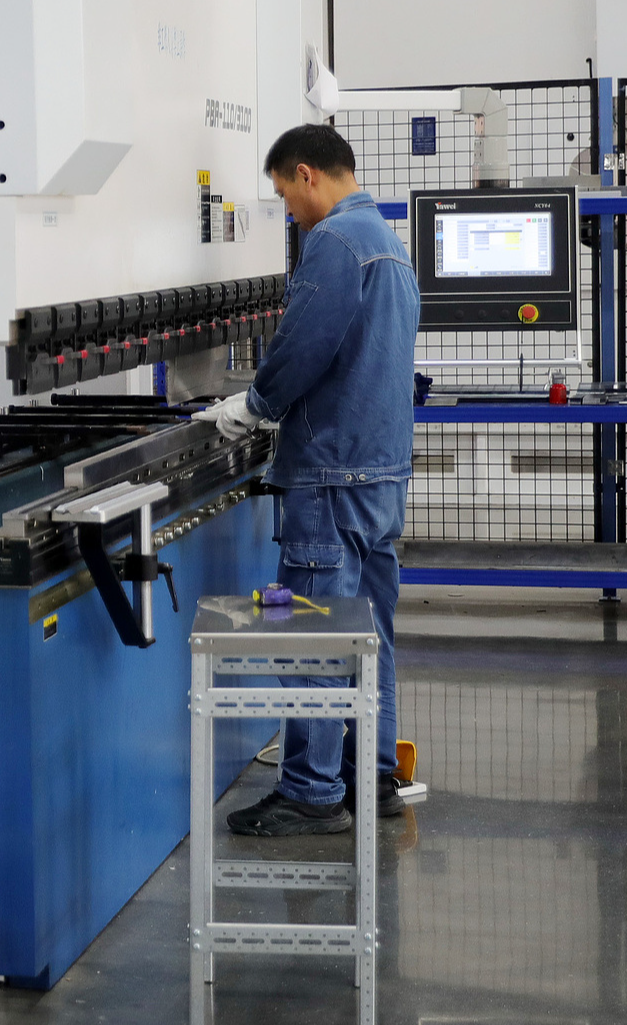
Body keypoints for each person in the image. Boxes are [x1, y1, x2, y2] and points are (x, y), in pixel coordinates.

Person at [196, 123, 420, 836]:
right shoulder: (386, 241)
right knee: (369, 634)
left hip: (329, 476)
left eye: (284, 194)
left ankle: (313, 792)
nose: (287, 210)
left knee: (317, 634)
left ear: (307, 173)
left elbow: (302, 347)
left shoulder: (334, 243)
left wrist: (252, 407)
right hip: (380, 474)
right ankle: (371, 776)